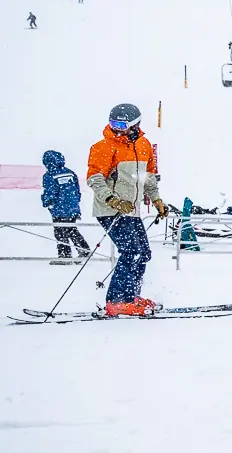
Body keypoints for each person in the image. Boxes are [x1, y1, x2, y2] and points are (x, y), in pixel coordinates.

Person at [86, 104, 168, 315]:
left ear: (135, 125)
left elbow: (148, 178)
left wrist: (157, 200)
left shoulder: (144, 145)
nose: (116, 129)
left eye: (121, 125)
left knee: (144, 254)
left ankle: (131, 297)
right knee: (131, 251)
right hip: (110, 210)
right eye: (113, 124)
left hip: (131, 210)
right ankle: (115, 301)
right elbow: (94, 179)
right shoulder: (103, 147)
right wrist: (112, 200)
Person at [40, 150, 91, 262]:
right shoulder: (70, 173)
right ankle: (82, 249)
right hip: (72, 207)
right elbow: (77, 190)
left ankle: (65, 255)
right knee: (71, 229)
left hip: (59, 208)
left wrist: (45, 201)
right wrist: (75, 202)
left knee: (60, 232)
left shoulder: (49, 175)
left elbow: (50, 192)